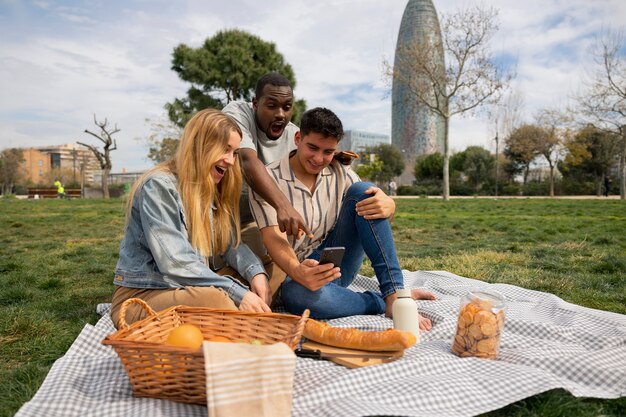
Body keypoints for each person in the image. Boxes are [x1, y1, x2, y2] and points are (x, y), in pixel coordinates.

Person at [250, 107, 436, 330]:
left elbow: (372, 218)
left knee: (365, 190)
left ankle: (395, 294)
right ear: (298, 139)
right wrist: (299, 272)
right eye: (312, 148)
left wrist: (390, 205)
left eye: (328, 152)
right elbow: (273, 238)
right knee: (296, 295)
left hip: (338, 262)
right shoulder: (267, 180)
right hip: (298, 270)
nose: (319, 159)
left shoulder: (340, 170)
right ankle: (379, 301)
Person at [110, 109, 271, 328]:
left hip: (186, 290)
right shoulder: (158, 186)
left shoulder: (208, 189)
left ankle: (240, 316)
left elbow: (229, 246)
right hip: (144, 297)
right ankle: (239, 319)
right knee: (216, 299)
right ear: (200, 145)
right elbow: (176, 262)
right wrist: (238, 293)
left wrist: (256, 274)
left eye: (234, 152)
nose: (231, 161)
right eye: (226, 150)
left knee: (268, 265)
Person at [222, 72, 312, 301]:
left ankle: (253, 297)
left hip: (256, 222)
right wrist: (283, 206)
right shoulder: (237, 113)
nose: (280, 114)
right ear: (255, 104)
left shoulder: (294, 135)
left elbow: (315, 159)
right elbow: (247, 161)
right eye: (271, 106)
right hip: (219, 216)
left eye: (287, 107)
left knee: (281, 263)